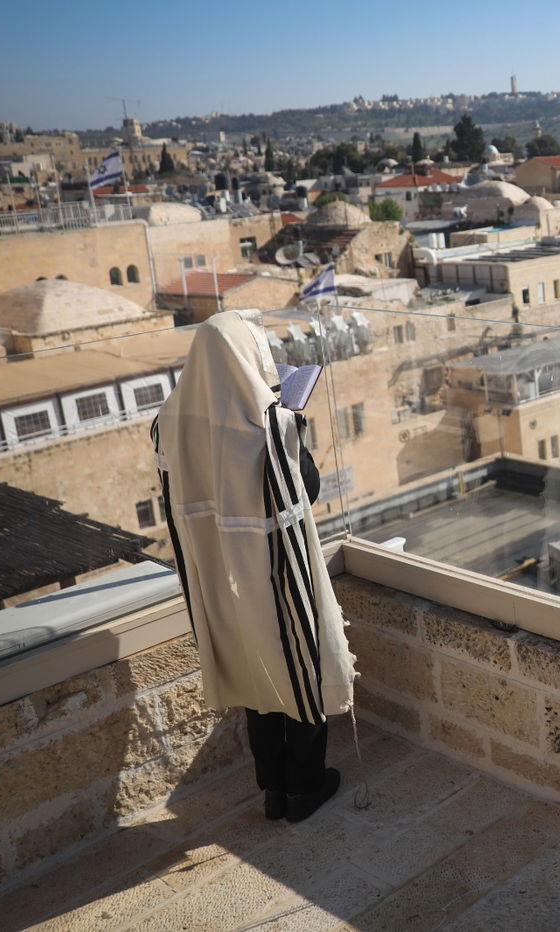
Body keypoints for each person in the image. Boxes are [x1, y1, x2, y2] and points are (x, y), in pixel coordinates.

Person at [153, 310, 357, 823]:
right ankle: (306, 787)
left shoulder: (167, 423)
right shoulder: (271, 423)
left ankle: (273, 789)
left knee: (255, 676)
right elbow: (304, 493)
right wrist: (290, 421)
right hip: (273, 569)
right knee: (300, 667)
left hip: (216, 574)